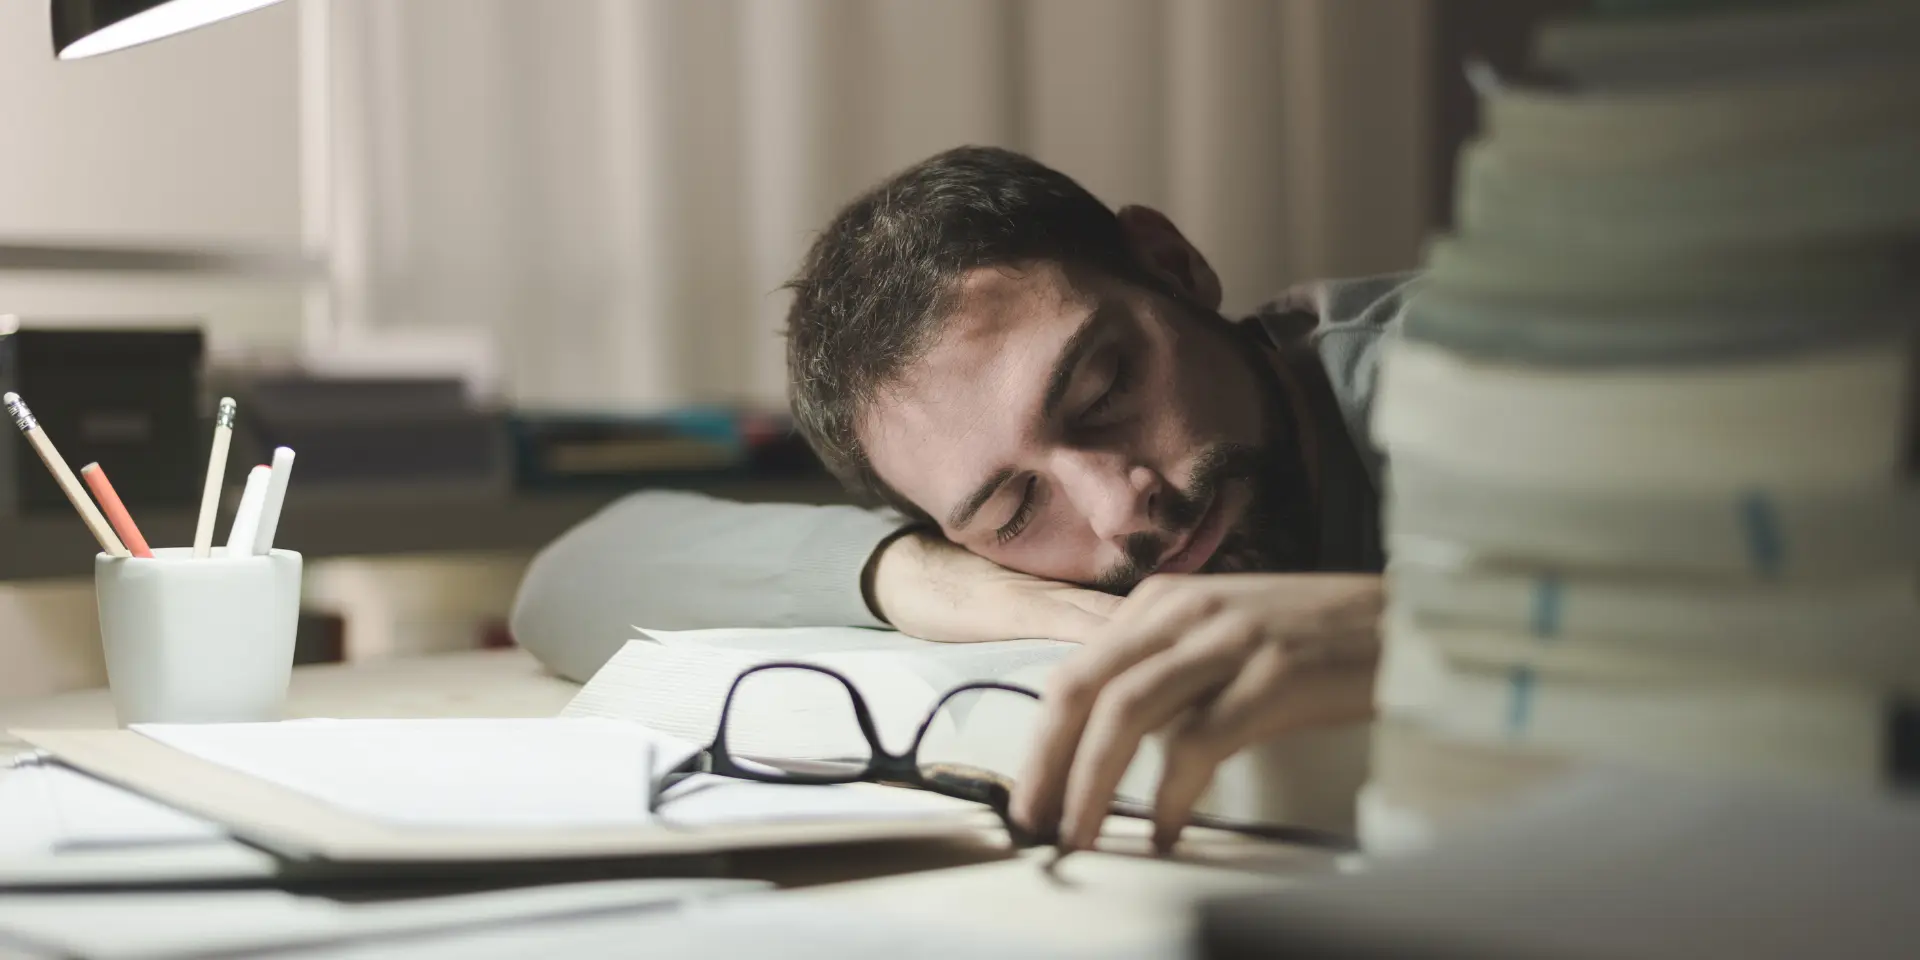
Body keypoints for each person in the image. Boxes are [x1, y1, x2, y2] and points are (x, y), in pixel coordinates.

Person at [511, 146, 1410, 851]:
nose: (1115, 510)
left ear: (1173, 267)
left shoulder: (1481, 376)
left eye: (1102, 393)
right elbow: (568, 579)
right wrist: (934, 581)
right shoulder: (991, 562)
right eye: (1014, 513)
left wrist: (1406, 628)